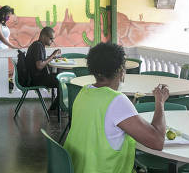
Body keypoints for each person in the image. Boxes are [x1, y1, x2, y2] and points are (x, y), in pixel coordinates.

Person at [64, 42, 170, 173]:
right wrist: (160, 102)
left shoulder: (84, 92)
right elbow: (157, 142)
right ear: (121, 70)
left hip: (78, 168)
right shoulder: (116, 100)